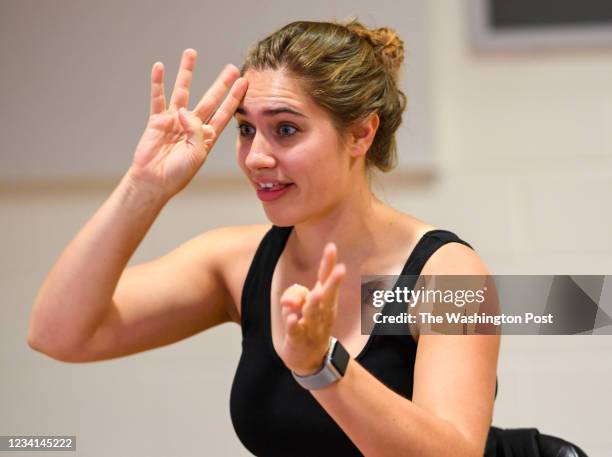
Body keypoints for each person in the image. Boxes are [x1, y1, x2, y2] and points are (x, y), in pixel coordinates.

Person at [28, 19, 500, 457]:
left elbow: (455, 452)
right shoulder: (234, 261)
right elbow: (58, 335)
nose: (255, 157)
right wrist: (144, 187)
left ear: (360, 133)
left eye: (286, 129)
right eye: (246, 129)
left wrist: (323, 367)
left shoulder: (447, 272)